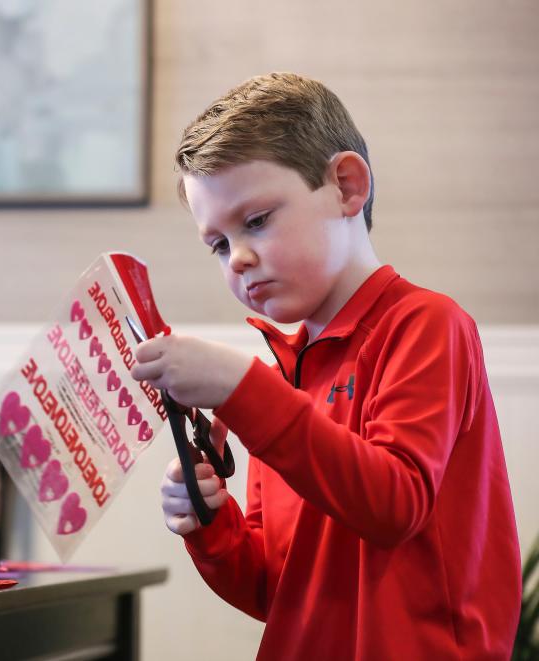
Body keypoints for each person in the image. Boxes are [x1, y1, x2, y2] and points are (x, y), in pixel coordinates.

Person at [130, 73, 520, 659]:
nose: (238, 257)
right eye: (217, 244)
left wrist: (246, 390)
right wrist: (214, 527)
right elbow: (276, 590)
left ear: (346, 185)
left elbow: (395, 504)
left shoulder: (427, 325)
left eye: (256, 220)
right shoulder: (287, 376)